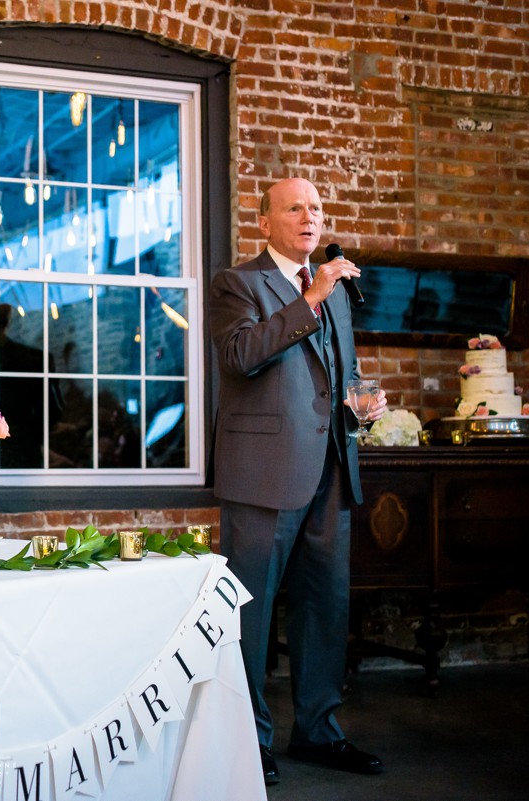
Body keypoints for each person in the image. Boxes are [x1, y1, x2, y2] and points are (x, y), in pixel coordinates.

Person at [208, 177, 388, 785]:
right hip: (263, 474)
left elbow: (342, 372)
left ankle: (319, 731)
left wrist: (362, 403)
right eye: (294, 208)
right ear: (265, 222)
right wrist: (310, 296)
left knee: (324, 607)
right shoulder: (237, 283)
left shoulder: (335, 289)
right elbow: (240, 356)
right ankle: (246, 739)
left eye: (315, 207)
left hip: (332, 467)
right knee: (250, 613)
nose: (309, 216)